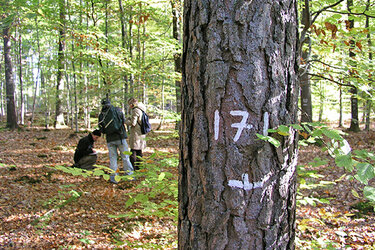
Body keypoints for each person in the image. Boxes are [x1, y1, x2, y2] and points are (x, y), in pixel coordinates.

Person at [99, 99, 134, 183]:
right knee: (125, 157)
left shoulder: (101, 115)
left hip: (110, 139)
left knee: (113, 158)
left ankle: (114, 178)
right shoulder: (117, 111)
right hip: (120, 137)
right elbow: (123, 121)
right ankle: (129, 176)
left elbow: (102, 129)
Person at [126, 98, 147, 170]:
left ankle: (133, 167)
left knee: (133, 151)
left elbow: (133, 123)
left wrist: (126, 121)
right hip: (141, 132)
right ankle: (139, 167)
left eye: (130, 105)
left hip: (136, 133)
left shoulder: (135, 110)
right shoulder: (141, 109)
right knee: (139, 150)